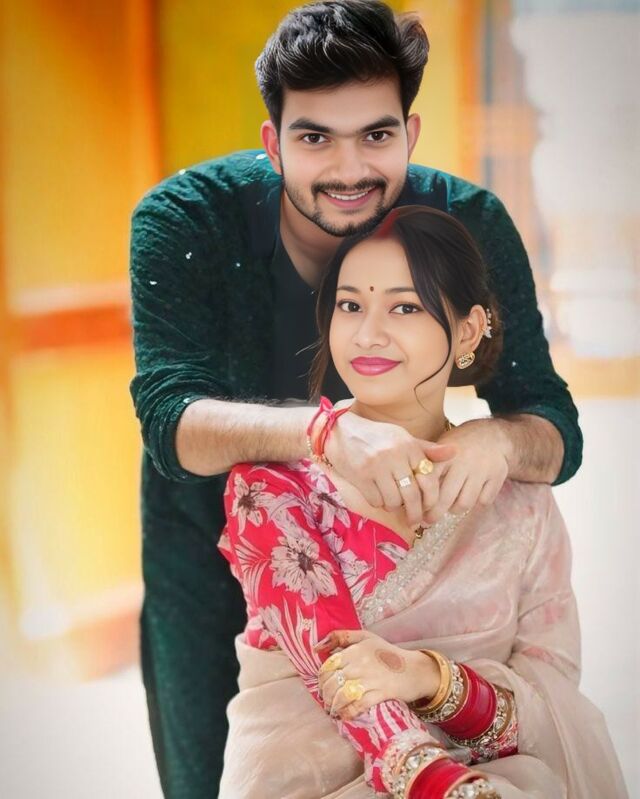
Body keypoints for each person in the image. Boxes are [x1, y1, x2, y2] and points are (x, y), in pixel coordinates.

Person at [129, 2, 583, 795]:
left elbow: (550, 422)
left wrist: (500, 438)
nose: (349, 169)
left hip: (417, 587)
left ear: (410, 132)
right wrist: (326, 433)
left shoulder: (469, 222)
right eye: (315, 138)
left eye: (375, 135)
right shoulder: (186, 218)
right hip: (214, 558)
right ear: (274, 142)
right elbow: (169, 419)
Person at [217, 206, 625, 799]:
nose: (367, 333)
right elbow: (338, 668)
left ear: (468, 330)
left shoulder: (518, 501)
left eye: (404, 307)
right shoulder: (274, 485)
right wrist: (440, 783)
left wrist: (432, 681)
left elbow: (552, 708)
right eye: (350, 305)